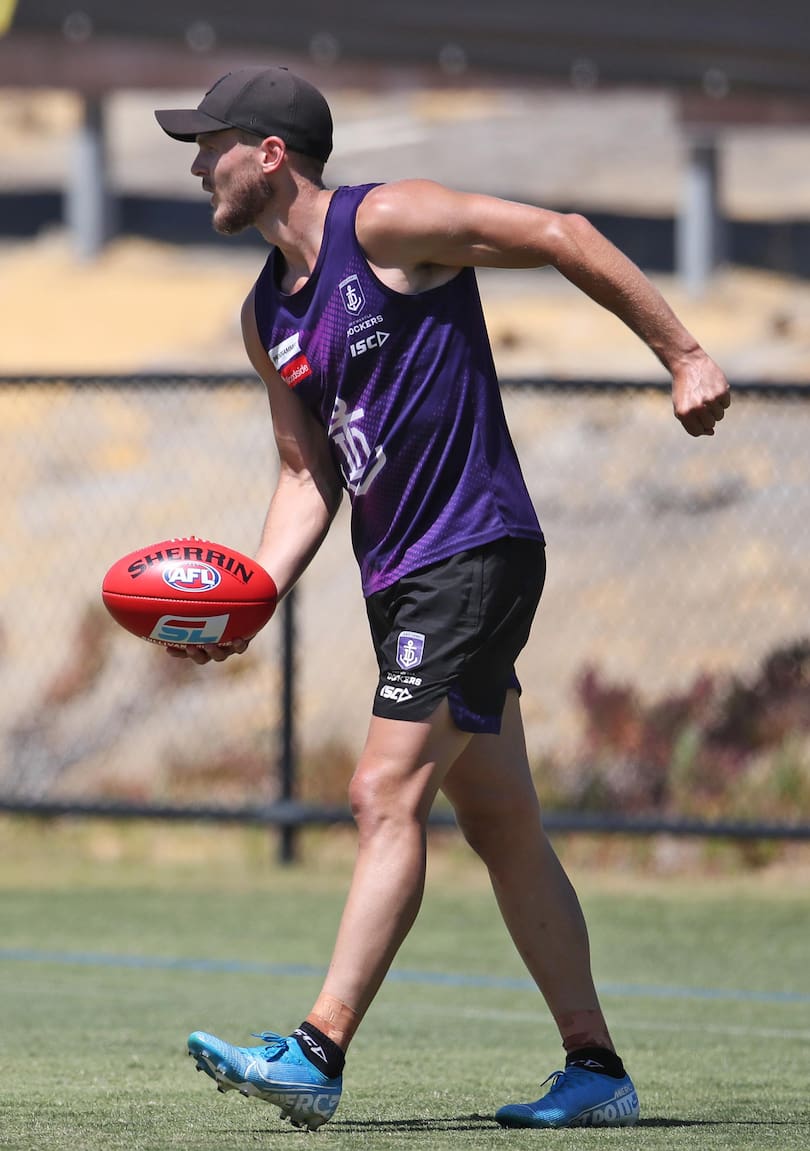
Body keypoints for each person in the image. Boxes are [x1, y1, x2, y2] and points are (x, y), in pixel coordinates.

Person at [155, 65, 730, 1132]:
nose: (196, 165)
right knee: (503, 822)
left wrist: (684, 353)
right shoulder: (265, 314)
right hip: (402, 576)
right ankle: (595, 1065)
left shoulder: (387, 223)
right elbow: (303, 476)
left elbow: (561, 231)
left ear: (270, 153)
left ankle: (317, 1048)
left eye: (210, 143)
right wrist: (252, 596)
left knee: (383, 792)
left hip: (475, 551)